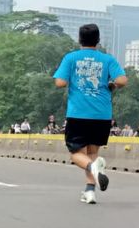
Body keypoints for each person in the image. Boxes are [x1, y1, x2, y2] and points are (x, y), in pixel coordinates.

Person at [53, 23, 127, 204]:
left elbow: (60, 83)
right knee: (92, 152)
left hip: (78, 113)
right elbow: (122, 80)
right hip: (102, 115)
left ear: (79, 40)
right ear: (98, 40)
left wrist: (73, 80)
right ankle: (90, 191)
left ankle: (93, 168)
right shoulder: (107, 59)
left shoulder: (71, 58)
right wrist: (112, 85)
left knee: (76, 153)